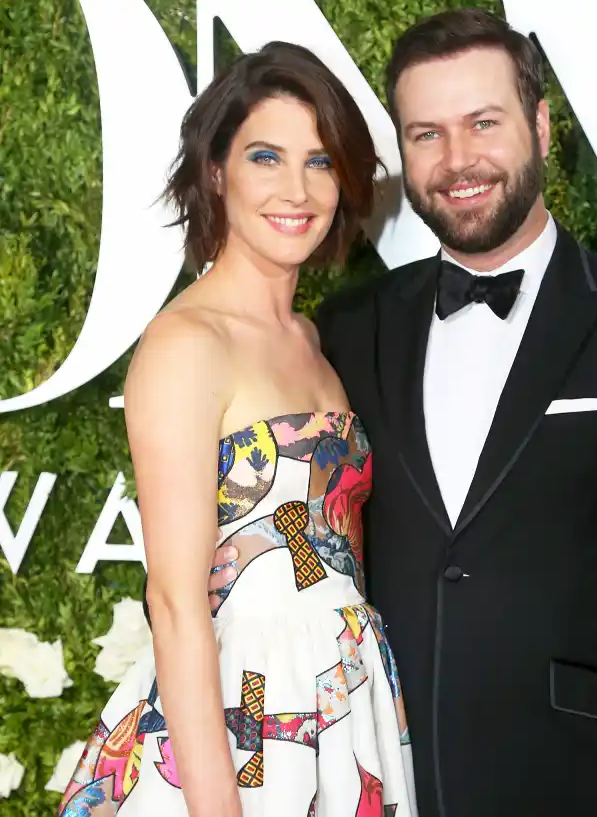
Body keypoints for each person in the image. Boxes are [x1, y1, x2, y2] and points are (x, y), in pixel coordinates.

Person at [209, 9, 597, 817]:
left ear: (539, 125)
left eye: (484, 123)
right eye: (426, 134)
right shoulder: (351, 329)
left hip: (578, 784)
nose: (458, 160)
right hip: (378, 775)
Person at [59, 42, 416, 817]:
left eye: (320, 162)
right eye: (266, 156)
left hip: (339, 706)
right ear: (216, 171)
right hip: (238, 727)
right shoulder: (188, 343)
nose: (297, 189)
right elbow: (177, 600)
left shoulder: (313, 341)